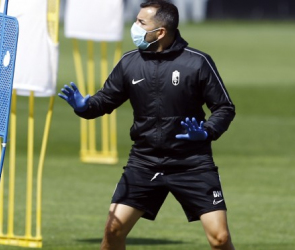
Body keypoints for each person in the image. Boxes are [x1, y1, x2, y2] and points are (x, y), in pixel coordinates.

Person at [58, 1, 236, 249]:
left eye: (141, 23)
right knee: (113, 230)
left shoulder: (197, 63)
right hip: (144, 160)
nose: (134, 27)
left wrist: (206, 131)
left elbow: (224, 108)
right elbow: (104, 101)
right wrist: (84, 107)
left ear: (160, 31)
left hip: (192, 163)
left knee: (220, 239)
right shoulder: (129, 62)